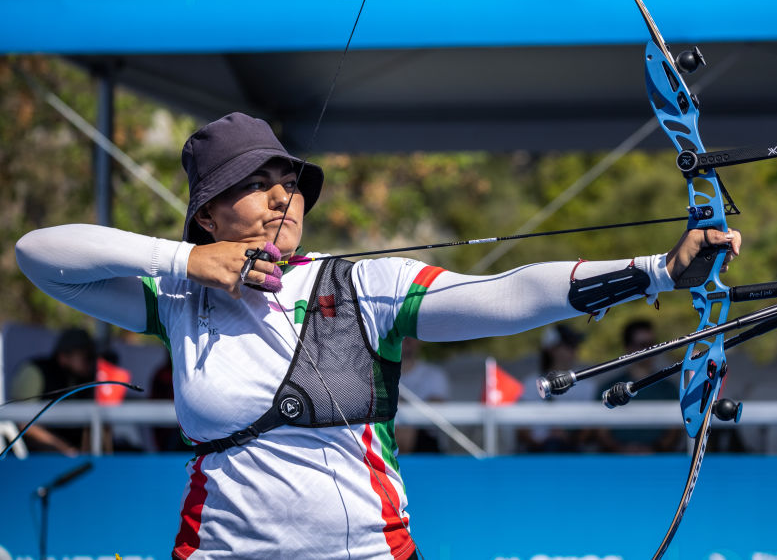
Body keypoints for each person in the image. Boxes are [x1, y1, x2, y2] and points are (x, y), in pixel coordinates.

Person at [15, 112, 740, 559]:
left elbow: (505, 293)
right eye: (253, 182)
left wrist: (657, 270)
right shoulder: (178, 294)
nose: (281, 194)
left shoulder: (362, 284)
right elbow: (38, 254)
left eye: (287, 179)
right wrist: (185, 261)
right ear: (206, 215)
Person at [593, 319, 683, 453]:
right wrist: (622, 450)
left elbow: (675, 431)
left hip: (659, 463)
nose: (650, 350)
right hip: (615, 463)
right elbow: (600, 430)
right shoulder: (608, 388)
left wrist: (652, 450)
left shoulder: (669, 388)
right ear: (628, 348)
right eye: (643, 345)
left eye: (653, 345)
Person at [10, 326, 97, 456]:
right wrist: (63, 449)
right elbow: (23, 423)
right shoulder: (35, 372)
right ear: (64, 356)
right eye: (87, 357)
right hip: (35, 458)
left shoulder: (88, 380)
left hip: (73, 457)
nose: (93, 363)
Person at [517, 324, 599, 453]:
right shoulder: (531, 383)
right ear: (551, 349)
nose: (573, 349)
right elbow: (522, 429)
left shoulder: (587, 385)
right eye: (567, 344)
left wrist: (570, 439)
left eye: (574, 344)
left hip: (573, 451)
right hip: (537, 453)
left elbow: (589, 428)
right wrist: (540, 443)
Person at [395, 336, 450, 453]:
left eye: (412, 336)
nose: (407, 340)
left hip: (424, 442)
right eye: (402, 335)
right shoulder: (376, 375)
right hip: (387, 435)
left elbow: (437, 406)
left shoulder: (434, 374)